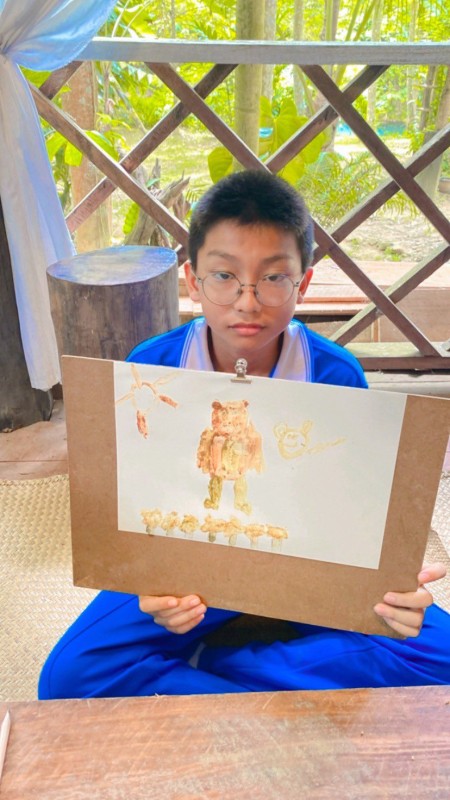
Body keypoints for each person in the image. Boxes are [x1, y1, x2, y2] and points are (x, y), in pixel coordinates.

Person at [39, 170, 449, 699]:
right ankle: (293, 688)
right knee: (67, 677)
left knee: (436, 652)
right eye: (224, 275)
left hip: (306, 565)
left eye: (274, 277)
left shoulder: (336, 373)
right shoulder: (151, 367)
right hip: (185, 565)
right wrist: (148, 587)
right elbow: (135, 508)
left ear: (303, 284)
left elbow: (353, 509)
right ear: (193, 280)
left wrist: (391, 583)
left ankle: (217, 670)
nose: (247, 301)